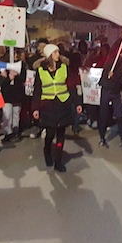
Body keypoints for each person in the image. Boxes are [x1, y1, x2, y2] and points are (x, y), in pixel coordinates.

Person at [32, 44, 81, 172]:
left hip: (62, 104)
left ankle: (58, 161)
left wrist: (77, 103)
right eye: (54, 53)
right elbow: (37, 91)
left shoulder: (64, 68)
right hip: (47, 106)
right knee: (50, 133)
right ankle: (47, 150)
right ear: (49, 55)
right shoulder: (41, 71)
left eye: (58, 52)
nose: (58, 55)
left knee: (61, 134)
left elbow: (71, 86)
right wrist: (35, 108)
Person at [98, 39, 122, 149]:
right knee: (103, 115)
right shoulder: (110, 60)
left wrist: (114, 77)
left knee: (119, 116)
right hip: (106, 90)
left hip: (115, 93)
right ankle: (102, 137)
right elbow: (113, 47)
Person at [1, 60, 25, 142]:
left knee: (16, 113)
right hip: (7, 96)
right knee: (7, 115)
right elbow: (1, 83)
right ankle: (8, 132)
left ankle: (15, 130)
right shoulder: (3, 68)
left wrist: (17, 75)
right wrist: (8, 78)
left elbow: (25, 79)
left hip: (17, 95)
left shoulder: (22, 66)